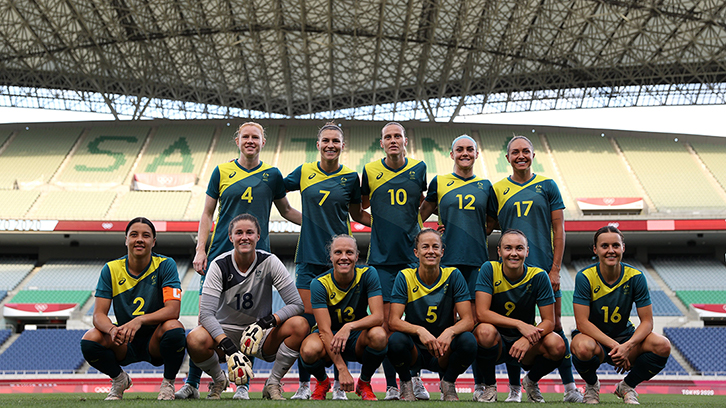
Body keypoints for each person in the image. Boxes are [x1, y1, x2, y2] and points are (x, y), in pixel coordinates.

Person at [177, 121, 302, 400]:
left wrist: (317, 225)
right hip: (222, 255)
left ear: (263, 142)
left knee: (253, 321)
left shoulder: (272, 174)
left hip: (257, 260)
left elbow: (287, 210)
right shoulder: (221, 171)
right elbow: (207, 213)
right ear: (237, 140)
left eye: (255, 137)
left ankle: (243, 384)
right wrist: (201, 248)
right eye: (245, 136)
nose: (250, 141)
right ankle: (194, 382)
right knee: (204, 319)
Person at [491, 135, 581, 403]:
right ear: (507, 158)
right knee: (513, 331)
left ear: (533, 155)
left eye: (526, 151)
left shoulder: (548, 185)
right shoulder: (497, 190)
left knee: (556, 329)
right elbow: (485, 225)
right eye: (515, 152)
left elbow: (559, 230)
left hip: (543, 269)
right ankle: (515, 388)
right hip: (511, 272)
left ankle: (568, 387)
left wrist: (555, 269)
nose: (521, 156)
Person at [284, 122, 370, 399]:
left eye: (336, 141)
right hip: (309, 260)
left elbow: (357, 215)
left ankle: (339, 387)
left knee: (332, 322)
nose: (330, 145)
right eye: (326, 141)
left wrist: (399, 227)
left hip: (340, 261)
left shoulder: (350, 177)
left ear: (342, 146)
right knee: (306, 323)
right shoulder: (304, 171)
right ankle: (309, 384)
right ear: (317, 144)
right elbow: (276, 194)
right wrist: (300, 219)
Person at [184, 214, 308, 400]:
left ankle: (272, 383)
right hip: (225, 332)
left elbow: (297, 304)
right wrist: (229, 347)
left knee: (300, 324)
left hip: (260, 334)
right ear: (230, 237)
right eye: (239, 233)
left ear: (258, 237)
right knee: (194, 338)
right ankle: (219, 379)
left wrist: (266, 322)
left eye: (250, 232)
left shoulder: (270, 261)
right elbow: (207, 314)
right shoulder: (218, 265)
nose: (245, 237)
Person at [419, 134, 496, 401]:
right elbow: (419, 215)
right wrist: (432, 235)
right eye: (459, 149)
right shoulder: (439, 182)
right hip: (446, 266)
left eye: (470, 149)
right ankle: (444, 382)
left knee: (475, 326)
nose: (465, 153)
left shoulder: (486, 186)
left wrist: (471, 232)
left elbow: (490, 222)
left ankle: (482, 385)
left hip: (476, 264)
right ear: (451, 154)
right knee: (445, 325)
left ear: (477, 154)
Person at [80, 217, 185, 400]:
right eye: (134, 234)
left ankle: (168, 384)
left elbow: (173, 310)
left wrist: (140, 320)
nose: (139, 239)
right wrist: (112, 329)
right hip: (124, 340)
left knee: (175, 327)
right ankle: (119, 379)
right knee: (90, 339)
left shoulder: (165, 264)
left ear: (153, 242)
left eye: (146, 235)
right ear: (126, 239)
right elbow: (98, 315)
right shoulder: (111, 269)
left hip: (156, 340)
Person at [360, 122, 427, 400]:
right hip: (382, 261)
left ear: (405, 140)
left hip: (412, 260)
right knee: (388, 324)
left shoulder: (419, 168)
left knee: (415, 322)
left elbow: (421, 204)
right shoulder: (371, 170)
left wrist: (421, 230)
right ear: (382, 143)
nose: (393, 140)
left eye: (397, 136)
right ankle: (392, 385)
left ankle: (415, 379)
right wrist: (379, 224)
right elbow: (359, 208)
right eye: (388, 137)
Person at [571, 226, 671, 404]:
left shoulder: (636, 277)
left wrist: (628, 345)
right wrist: (617, 346)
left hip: (626, 338)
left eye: (615, 245)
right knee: (581, 347)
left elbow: (647, 322)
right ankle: (592, 386)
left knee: (662, 345)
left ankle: (627, 386)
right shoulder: (585, 277)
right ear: (596, 249)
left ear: (623, 247)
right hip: (595, 340)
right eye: (604, 246)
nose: (611, 250)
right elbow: (582, 323)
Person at [474, 229, 566, 403]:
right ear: (499, 251)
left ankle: (531, 381)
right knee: (484, 331)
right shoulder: (489, 269)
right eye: (508, 248)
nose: (514, 253)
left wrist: (527, 339)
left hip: (526, 345)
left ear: (527, 252)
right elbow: (481, 313)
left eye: (519, 248)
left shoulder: (538, 276)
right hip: (497, 341)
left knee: (557, 344)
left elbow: (549, 321)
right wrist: (518, 324)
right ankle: (490, 386)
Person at [387, 228, 477, 401]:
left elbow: (468, 321)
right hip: (415, 350)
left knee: (468, 341)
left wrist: (450, 332)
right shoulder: (405, 276)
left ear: (442, 252)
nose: (430, 251)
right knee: (395, 340)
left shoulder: (453, 275)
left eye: (435, 247)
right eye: (425, 247)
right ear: (416, 252)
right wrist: (420, 331)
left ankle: (448, 383)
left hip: (444, 350)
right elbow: (393, 321)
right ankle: (406, 384)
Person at [299, 234, 387, 401]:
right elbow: (324, 330)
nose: (344, 257)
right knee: (308, 350)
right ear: (331, 257)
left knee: (379, 335)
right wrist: (342, 369)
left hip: (356, 337)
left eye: (349, 252)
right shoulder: (319, 284)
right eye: (338, 252)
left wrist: (349, 327)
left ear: (357, 256)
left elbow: (378, 317)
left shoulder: (369, 274)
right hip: (329, 336)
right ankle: (323, 382)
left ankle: (364, 383)